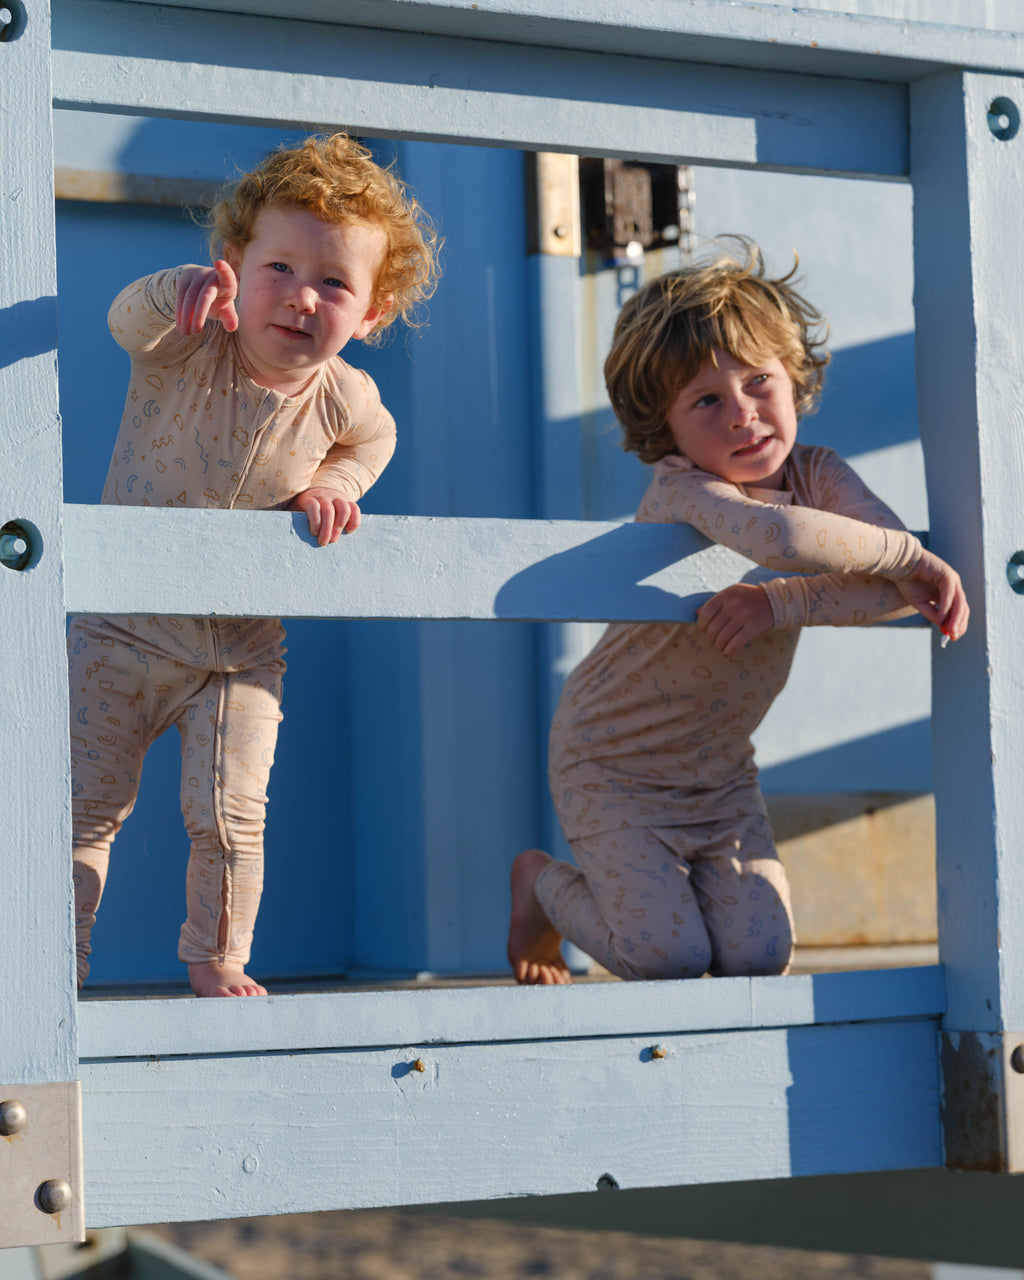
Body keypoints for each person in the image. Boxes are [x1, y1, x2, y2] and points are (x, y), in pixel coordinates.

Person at [508, 239, 969, 986]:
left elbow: (891, 584)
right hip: (611, 763)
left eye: (761, 381)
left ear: (795, 378)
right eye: (706, 401)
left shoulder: (818, 473)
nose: (744, 416)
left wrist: (781, 602)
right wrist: (904, 557)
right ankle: (540, 885)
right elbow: (787, 537)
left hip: (718, 772)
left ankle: (651, 896)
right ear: (666, 426)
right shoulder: (681, 487)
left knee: (759, 957)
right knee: (668, 957)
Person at [70, 133, 439, 997]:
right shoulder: (190, 342)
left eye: (337, 284)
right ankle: (58, 967)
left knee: (232, 819)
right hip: (124, 625)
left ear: (372, 314)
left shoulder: (346, 393)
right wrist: (178, 293)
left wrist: (336, 482)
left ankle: (216, 956)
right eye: (279, 267)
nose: (304, 297)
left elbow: (374, 439)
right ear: (231, 264)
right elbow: (125, 318)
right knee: (85, 812)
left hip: (240, 646)